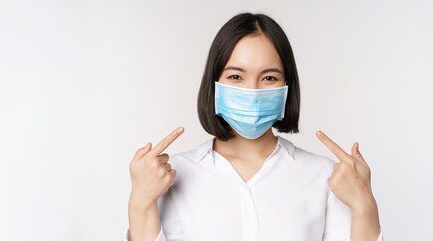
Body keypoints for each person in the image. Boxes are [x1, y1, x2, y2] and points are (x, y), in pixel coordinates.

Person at [125, 13, 384, 241]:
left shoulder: (325, 177)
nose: (253, 90)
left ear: (287, 87)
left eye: (269, 77)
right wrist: (140, 203)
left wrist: (365, 207)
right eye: (236, 76)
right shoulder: (170, 176)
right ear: (214, 84)